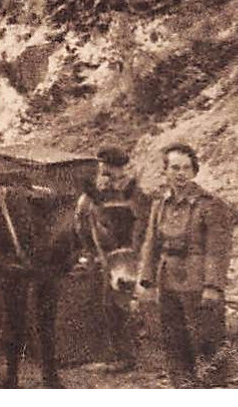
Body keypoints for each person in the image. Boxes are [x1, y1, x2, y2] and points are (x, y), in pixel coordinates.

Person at [137, 143, 233, 387]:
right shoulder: (160, 204)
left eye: (186, 168)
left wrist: (213, 286)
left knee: (209, 343)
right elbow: (151, 244)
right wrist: (146, 281)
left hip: (198, 284)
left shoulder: (210, 205)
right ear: (166, 171)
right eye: (174, 168)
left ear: (194, 171)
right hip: (167, 280)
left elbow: (217, 250)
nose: (180, 174)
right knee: (174, 343)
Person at [76, 145, 153, 373]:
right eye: (104, 169)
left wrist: (136, 256)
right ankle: (110, 353)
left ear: (122, 169)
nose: (108, 174)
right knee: (104, 303)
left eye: (112, 169)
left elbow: (143, 227)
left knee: (120, 303)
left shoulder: (135, 194)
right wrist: (89, 252)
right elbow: (82, 225)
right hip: (102, 256)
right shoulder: (90, 198)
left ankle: (126, 355)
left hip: (127, 257)